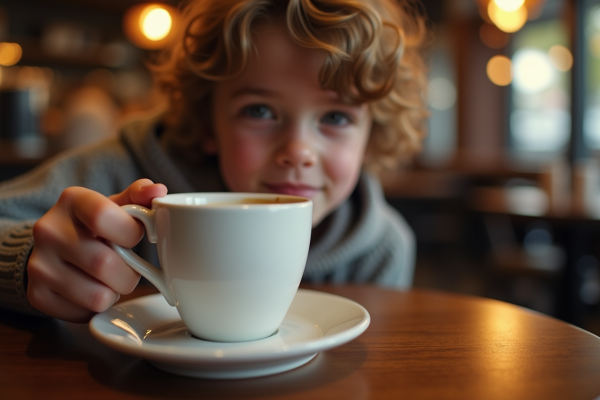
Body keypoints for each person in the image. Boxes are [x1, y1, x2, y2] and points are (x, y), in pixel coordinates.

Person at [0, 0, 430, 322]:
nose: (298, 151)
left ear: (372, 134)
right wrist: (23, 258)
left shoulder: (379, 248)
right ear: (208, 121)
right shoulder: (120, 173)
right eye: (259, 111)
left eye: (336, 117)